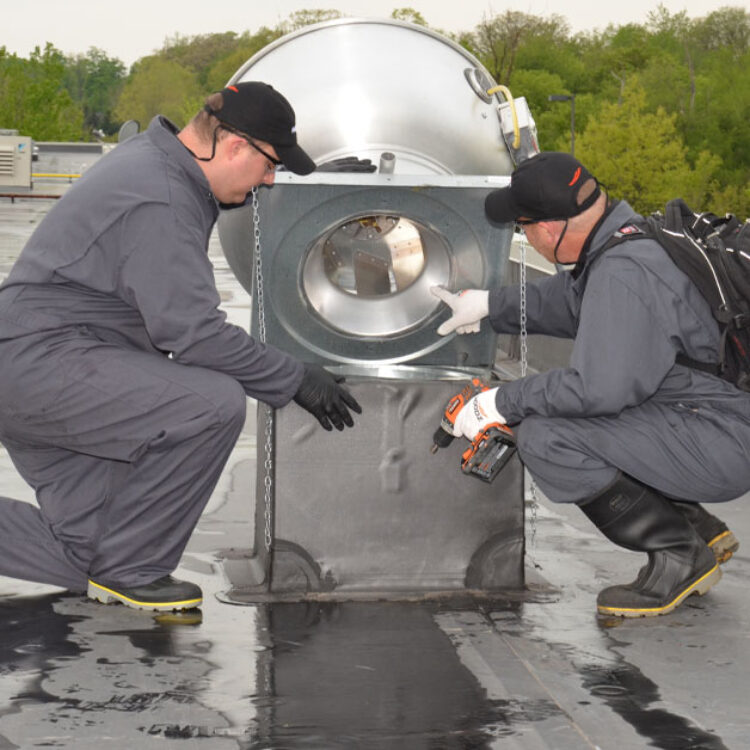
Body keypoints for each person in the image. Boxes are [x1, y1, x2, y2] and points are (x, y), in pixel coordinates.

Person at [0, 82, 361, 612]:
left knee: (87, 553)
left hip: (43, 365)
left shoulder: (156, 164)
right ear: (235, 145)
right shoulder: (162, 195)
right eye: (269, 165)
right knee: (208, 405)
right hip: (45, 365)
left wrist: (331, 187)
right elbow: (192, 334)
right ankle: (132, 572)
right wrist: (293, 378)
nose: (269, 180)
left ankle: (117, 568)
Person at [432, 151, 749, 618]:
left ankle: (680, 555)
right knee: (575, 411)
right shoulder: (630, 238)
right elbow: (571, 301)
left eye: (522, 228)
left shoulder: (624, 271)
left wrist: (498, 402)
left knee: (545, 435)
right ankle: (694, 523)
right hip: (713, 415)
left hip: (724, 438)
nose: (526, 238)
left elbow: (596, 389)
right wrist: (486, 305)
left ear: (548, 228)